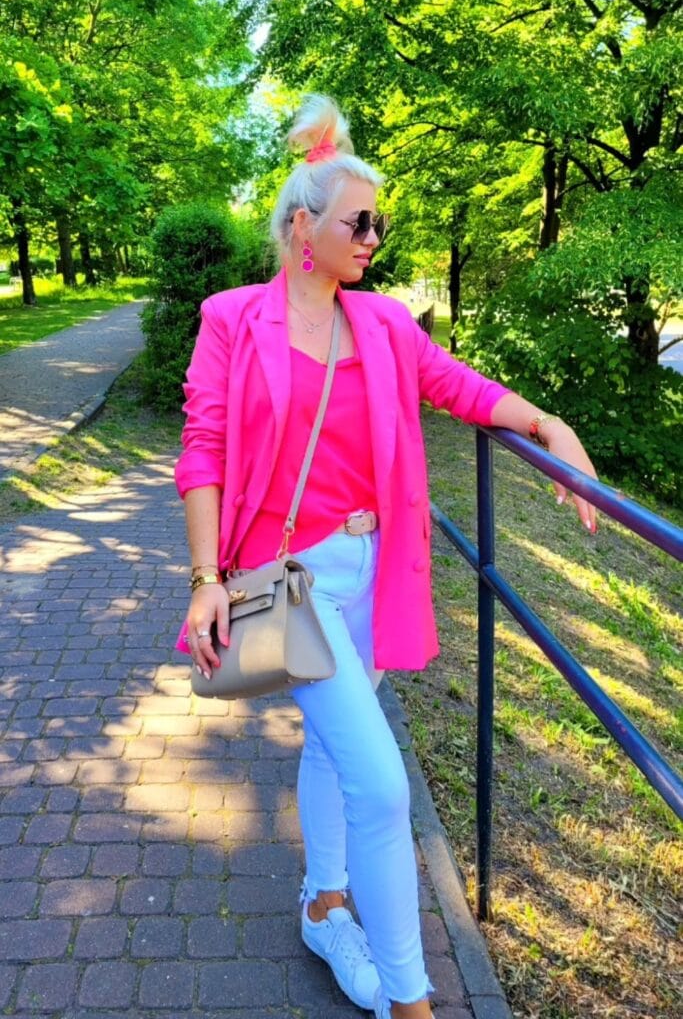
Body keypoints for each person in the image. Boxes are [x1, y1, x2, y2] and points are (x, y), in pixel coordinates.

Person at [174, 94, 598, 1019]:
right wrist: (205, 579)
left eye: (378, 221)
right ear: (302, 228)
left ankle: (324, 903)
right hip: (292, 581)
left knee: (336, 750)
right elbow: (202, 449)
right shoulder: (232, 320)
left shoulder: (384, 325)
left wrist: (547, 422)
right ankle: (411, 1000)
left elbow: (458, 387)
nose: (372, 236)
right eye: (357, 220)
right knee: (378, 778)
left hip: (373, 576)